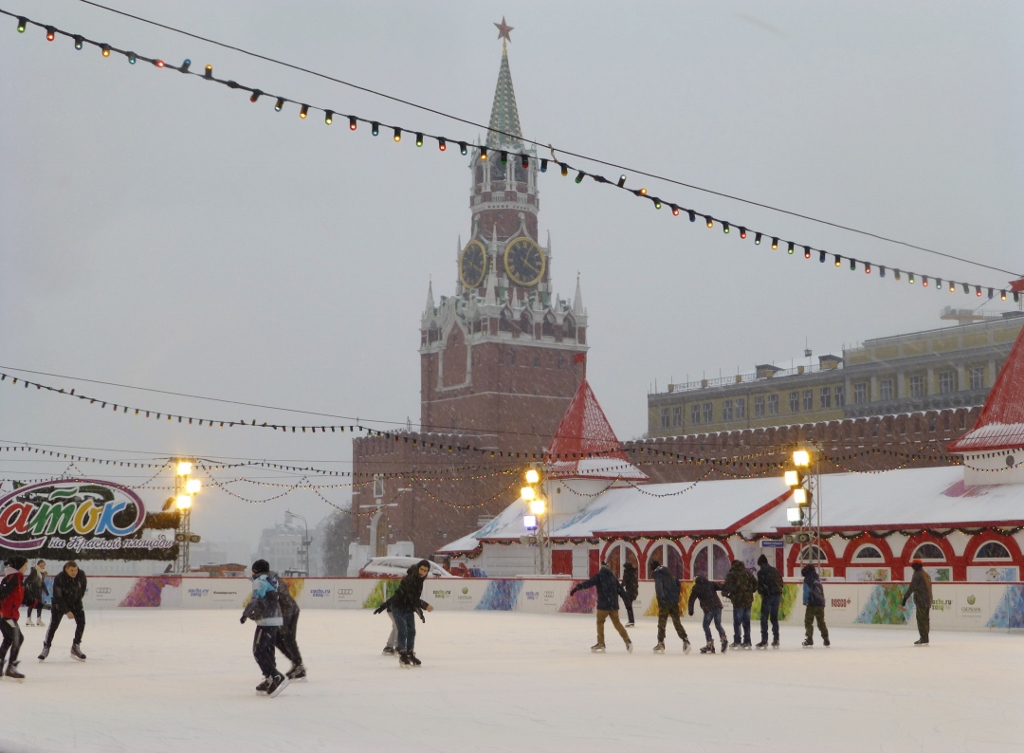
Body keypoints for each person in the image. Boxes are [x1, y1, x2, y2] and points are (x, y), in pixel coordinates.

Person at [240, 559, 289, 697]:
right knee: (267, 650)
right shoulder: (270, 579)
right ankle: (270, 678)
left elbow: (256, 598)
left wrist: (246, 613)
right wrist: (257, 614)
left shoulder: (260, 581)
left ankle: (275, 676)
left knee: (258, 650)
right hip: (274, 619)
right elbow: (269, 600)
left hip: (267, 621)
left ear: (256, 569)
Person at [569, 561, 632, 653]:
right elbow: (621, 591)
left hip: (603, 606)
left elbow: (588, 583)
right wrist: (627, 602)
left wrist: (577, 588)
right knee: (617, 623)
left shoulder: (599, 576)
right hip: (613, 606)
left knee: (600, 622)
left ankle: (601, 643)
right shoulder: (613, 578)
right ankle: (627, 640)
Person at [383, 559, 434, 668]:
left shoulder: (420, 580)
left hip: (408, 608)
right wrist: (425, 606)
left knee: (412, 631)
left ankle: (410, 653)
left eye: (425, 571)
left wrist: (419, 609)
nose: (423, 572)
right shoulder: (410, 579)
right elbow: (412, 597)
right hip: (398, 607)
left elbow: (413, 599)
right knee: (403, 630)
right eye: (421, 569)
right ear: (418, 568)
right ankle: (402, 654)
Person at [39, 561, 88, 662]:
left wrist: (74, 605)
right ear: (66, 569)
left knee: (81, 623)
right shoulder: (59, 578)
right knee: (54, 625)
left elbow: (82, 591)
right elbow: (58, 596)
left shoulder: (81, 575)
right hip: (59, 604)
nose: (74, 572)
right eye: (71, 570)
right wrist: (67, 610)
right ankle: (46, 647)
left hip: (76, 603)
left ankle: (76, 646)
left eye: (76, 570)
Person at [649, 560, 690, 654]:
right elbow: (678, 583)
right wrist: (675, 596)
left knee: (662, 623)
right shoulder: (670, 573)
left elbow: (659, 588)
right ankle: (685, 640)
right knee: (677, 622)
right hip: (674, 601)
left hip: (665, 602)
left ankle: (661, 642)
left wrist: (661, 599)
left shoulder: (658, 574)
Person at [0, 556, 29, 680]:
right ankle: (11, 667)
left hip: (8, 615)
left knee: (9, 639)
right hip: (6, 615)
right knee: (18, 638)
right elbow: (2, 593)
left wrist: (41, 605)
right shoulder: (14, 578)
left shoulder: (16, 578)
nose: (27, 568)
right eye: (25, 565)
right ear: (19, 567)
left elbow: (24, 598)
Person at [688, 574, 728, 654]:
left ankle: (709, 644)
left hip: (709, 608)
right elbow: (722, 587)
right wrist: (729, 588)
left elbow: (691, 600)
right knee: (718, 624)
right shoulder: (711, 583)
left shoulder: (696, 588)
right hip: (718, 606)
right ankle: (723, 638)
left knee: (706, 625)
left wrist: (691, 611)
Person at [275, 574, 305, 680]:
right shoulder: (267, 582)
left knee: (288, 638)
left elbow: (287, 604)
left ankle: (298, 666)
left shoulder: (275, 583)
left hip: (290, 613)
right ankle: (297, 664)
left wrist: (284, 623)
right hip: (284, 614)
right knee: (278, 639)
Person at [723, 559, 757, 649]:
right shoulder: (748, 573)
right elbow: (756, 584)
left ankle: (737, 641)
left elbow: (726, 588)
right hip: (748, 601)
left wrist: (730, 595)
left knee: (737, 622)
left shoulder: (732, 574)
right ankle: (747, 641)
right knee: (746, 622)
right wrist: (749, 591)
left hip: (738, 601)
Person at [755, 554, 785, 649]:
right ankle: (776, 639)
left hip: (768, 596)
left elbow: (760, 586)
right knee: (774, 618)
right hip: (777, 595)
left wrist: (762, 592)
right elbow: (781, 582)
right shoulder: (775, 570)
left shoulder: (761, 572)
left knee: (764, 618)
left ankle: (764, 640)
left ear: (761, 563)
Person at [901, 558, 933, 646]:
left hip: (921, 601)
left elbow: (912, 587)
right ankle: (925, 638)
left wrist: (905, 598)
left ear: (915, 566)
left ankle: (923, 638)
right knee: (925, 620)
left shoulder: (917, 575)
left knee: (921, 620)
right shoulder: (926, 575)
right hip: (928, 600)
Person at [801, 563, 830, 647]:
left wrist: (805, 601)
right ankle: (826, 638)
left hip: (812, 603)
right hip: (820, 602)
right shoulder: (817, 579)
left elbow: (806, 590)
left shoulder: (807, 579)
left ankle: (809, 639)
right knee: (821, 622)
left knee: (808, 621)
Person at [22, 560, 48, 628]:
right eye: (41, 565)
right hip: (33, 591)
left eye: (43, 565)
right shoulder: (34, 571)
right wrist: (26, 586)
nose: (42, 566)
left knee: (39, 605)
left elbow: (41, 582)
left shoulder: (42, 572)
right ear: (38, 565)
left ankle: (39, 620)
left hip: (38, 591)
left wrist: (46, 591)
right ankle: (28, 619)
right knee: (31, 604)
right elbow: (28, 579)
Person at [621, 561, 639, 627]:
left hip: (630, 591)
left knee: (628, 606)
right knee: (629, 605)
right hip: (634, 591)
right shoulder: (633, 572)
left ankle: (631, 620)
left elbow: (624, 582)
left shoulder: (627, 573)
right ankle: (631, 620)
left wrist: (618, 587)